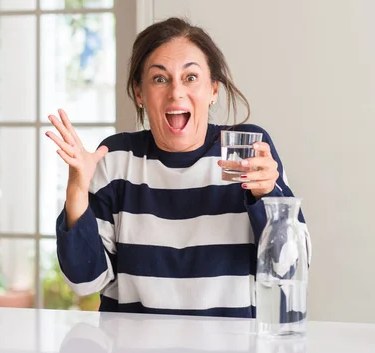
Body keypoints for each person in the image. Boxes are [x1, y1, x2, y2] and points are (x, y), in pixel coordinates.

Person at [45, 17, 311, 318]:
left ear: (213, 90)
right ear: (140, 93)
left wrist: (266, 196)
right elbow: (84, 282)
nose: (176, 92)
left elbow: (290, 266)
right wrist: (77, 190)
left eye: (191, 77)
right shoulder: (117, 159)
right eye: (160, 78)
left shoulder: (248, 152)